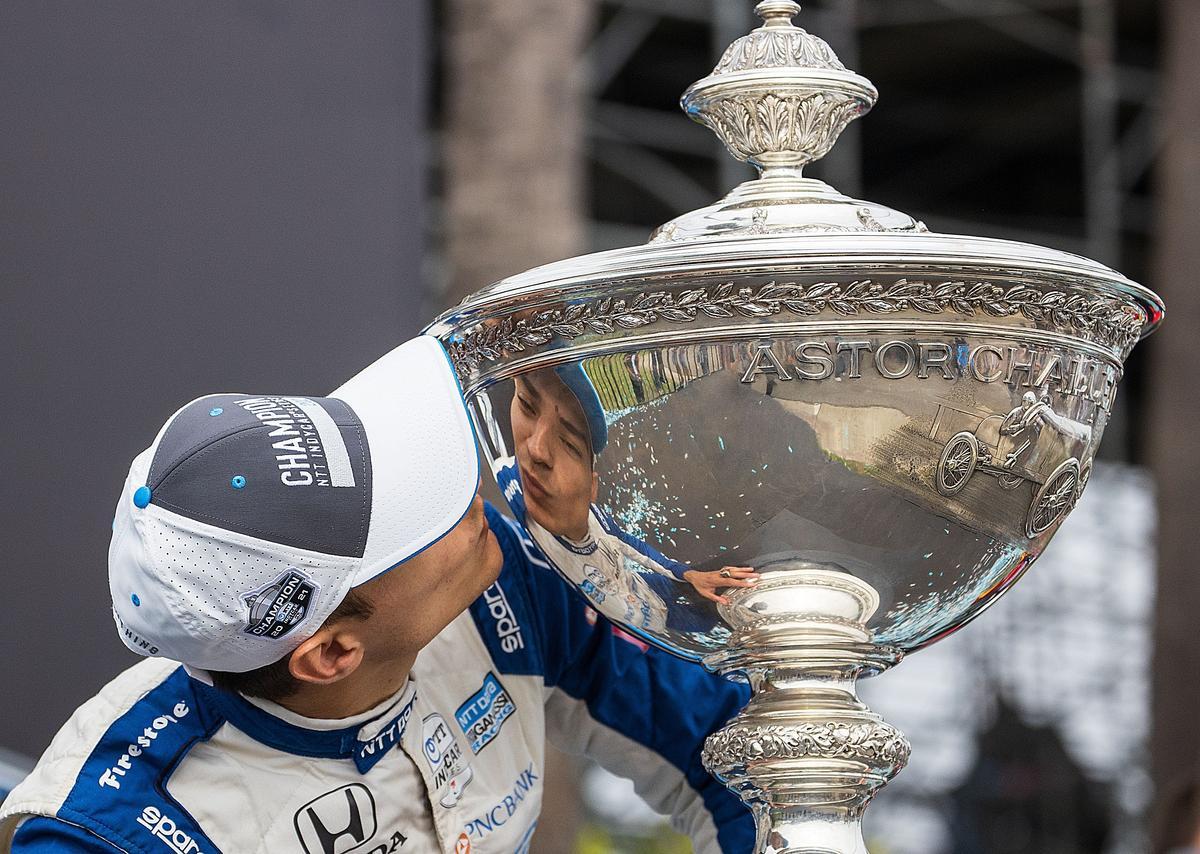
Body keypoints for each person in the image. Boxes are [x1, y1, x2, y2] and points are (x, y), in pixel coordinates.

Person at [0, 337, 754, 853]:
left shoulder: (503, 576)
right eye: (415, 518)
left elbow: (736, 755)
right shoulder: (113, 832)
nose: (469, 494)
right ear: (331, 654)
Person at [496, 365, 758, 630]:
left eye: (569, 445)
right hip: (647, 619)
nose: (537, 450)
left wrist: (689, 574)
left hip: (643, 588)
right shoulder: (514, 491)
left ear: (592, 487)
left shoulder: (595, 518)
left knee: (729, 584)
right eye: (527, 406)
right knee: (717, 621)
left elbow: (630, 543)